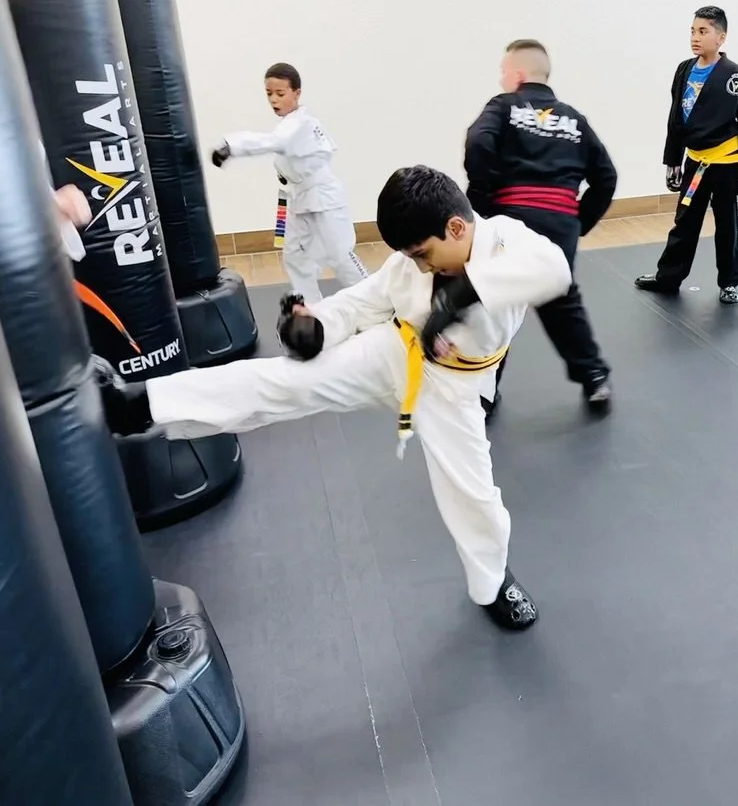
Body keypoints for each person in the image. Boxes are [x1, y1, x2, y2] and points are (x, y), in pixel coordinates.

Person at [89, 166, 573, 630]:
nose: (419, 265)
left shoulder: (506, 239)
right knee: (283, 381)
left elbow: (554, 270)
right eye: (411, 257)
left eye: (424, 253)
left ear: (455, 226)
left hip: (455, 389)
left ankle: (492, 585)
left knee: (473, 493)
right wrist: (314, 327)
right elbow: (362, 301)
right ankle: (140, 405)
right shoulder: (409, 265)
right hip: (396, 350)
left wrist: (453, 301)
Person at [464, 39, 618, 419]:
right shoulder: (574, 119)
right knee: (560, 297)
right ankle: (595, 376)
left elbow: (478, 144)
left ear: (517, 74)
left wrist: (481, 203)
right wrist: (579, 221)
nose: (502, 78)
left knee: (494, 296)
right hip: (560, 220)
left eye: (504, 70)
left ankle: (484, 391)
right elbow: (606, 176)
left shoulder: (503, 107)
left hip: (511, 216)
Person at [634, 6, 738, 305]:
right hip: (696, 162)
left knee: (729, 225)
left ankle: (730, 282)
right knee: (685, 222)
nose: (695, 37)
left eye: (703, 31)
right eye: (692, 31)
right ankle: (668, 276)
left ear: (721, 38)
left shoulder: (733, 75)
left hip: (728, 164)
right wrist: (673, 159)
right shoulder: (684, 69)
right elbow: (676, 118)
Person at [210, 62, 367, 303]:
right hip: (295, 197)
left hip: (323, 199)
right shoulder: (290, 123)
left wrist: (231, 146)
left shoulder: (299, 124)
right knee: (294, 256)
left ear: (297, 93)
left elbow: (271, 142)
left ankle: (376, 302)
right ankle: (312, 309)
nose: (274, 99)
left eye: (280, 94)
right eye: (269, 93)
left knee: (340, 256)